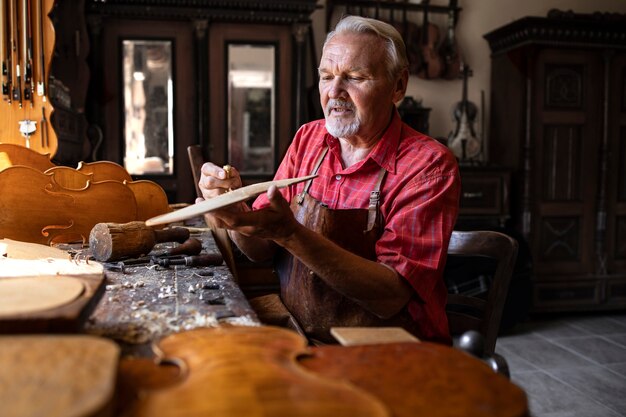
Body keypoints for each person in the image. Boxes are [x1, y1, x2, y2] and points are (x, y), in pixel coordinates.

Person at [198, 15, 460, 344]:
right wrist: (232, 209)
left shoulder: (428, 166)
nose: (334, 92)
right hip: (303, 333)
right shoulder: (309, 138)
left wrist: (291, 235)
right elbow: (260, 249)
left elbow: (392, 296)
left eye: (354, 77)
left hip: (393, 349)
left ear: (398, 86)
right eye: (326, 76)